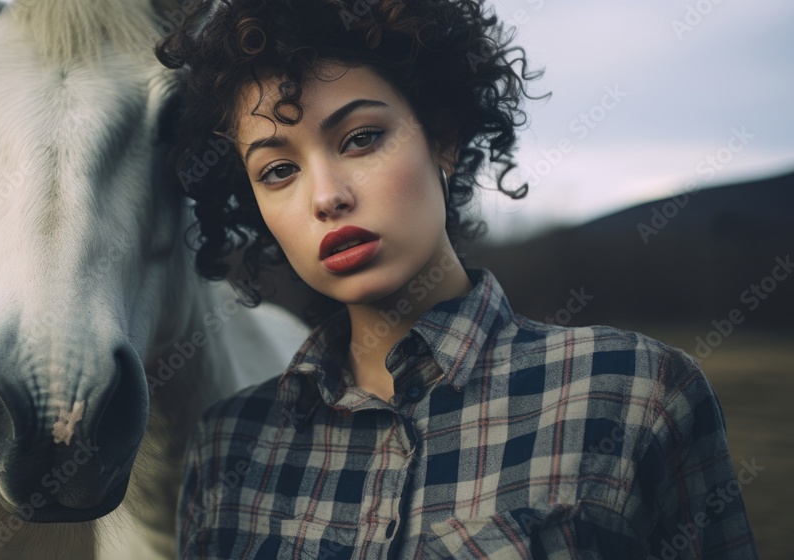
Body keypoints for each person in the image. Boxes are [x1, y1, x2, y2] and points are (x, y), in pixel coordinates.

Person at [155, 0, 759, 558]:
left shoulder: (634, 393)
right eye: (279, 170)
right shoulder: (229, 442)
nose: (327, 197)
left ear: (442, 138)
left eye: (361, 138)